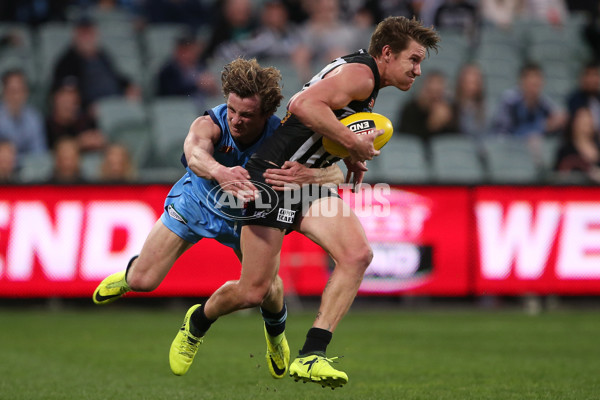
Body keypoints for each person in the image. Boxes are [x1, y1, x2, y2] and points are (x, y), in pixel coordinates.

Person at [168, 16, 440, 388]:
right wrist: (351, 140)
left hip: (305, 183)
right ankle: (197, 322)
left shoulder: (364, 78)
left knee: (357, 254)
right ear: (388, 54)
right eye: (414, 59)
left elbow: (321, 118)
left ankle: (313, 354)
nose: (418, 70)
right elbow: (302, 104)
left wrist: (346, 154)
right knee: (253, 291)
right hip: (272, 176)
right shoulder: (362, 75)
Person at [92, 58, 344, 380]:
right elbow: (194, 152)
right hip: (198, 201)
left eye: (246, 115)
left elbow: (336, 173)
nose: (236, 120)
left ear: (266, 114)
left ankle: (275, 337)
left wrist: (308, 175)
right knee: (144, 281)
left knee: (265, 289)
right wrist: (220, 171)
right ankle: (128, 276)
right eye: (232, 109)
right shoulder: (211, 123)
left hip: (249, 215)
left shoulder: (282, 136)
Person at [51, 16, 141, 118]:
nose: (87, 38)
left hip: (116, 102)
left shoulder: (101, 55)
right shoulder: (67, 62)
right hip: (92, 111)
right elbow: (65, 95)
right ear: (75, 36)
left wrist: (128, 86)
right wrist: (85, 107)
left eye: (90, 33)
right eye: (83, 34)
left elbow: (116, 76)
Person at [492, 62, 567, 166]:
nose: (534, 87)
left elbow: (557, 120)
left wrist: (560, 121)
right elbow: (502, 135)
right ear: (521, 82)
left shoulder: (544, 104)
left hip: (534, 154)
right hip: (508, 154)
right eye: (531, 83)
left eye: (537, 83)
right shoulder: (509, 101)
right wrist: (541, 127)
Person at [397, 70, 456, 157]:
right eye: (431, 92)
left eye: (438, 93)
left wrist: (448, 121)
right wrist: (430, 126)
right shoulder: (411, 108)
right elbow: (406, 139)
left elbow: (455, 140)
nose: (434, 97)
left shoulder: (450, 110)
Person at [157, 32, 219, 111]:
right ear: (178, 51)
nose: (191, 54)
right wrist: (197, 84)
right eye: (186, 50)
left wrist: (212, 88)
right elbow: (170, 94)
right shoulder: (167, 71)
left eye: (192, 50)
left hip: (201, 109)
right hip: (175, 111)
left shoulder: (201, 67)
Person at [0, 69, 47, 167]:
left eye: (20, 91)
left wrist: (17, 161)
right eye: (12, 91)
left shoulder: (34, 118)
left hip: (28, 174)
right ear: (4, 92)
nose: (16, 97)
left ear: (26, 92)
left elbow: (39, 154)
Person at [45, 76, 106, 152]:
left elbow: (100, 140)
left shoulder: (85, 121)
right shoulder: (46, 126)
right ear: (54, 99)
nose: (69, 102)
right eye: (64, 97)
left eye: (73, 97)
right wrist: (78, 143)